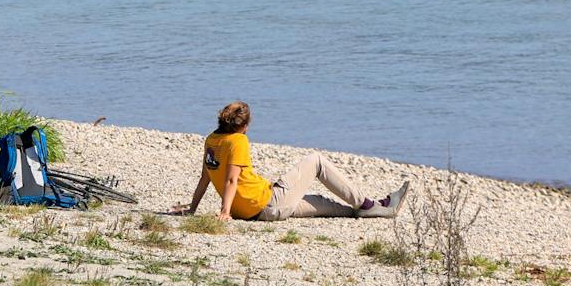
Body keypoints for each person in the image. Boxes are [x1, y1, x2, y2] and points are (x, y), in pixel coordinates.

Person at [173, 101, 407, 222]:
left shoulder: (211, 140)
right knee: (315, 160)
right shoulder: (238, 141)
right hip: (267, 204)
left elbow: (206, 177)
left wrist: (192, 208)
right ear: (244, 126)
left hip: (256, 210)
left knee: (325, 204)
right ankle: (367, 204)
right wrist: (224, 213)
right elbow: (231, 179)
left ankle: (370, 209)